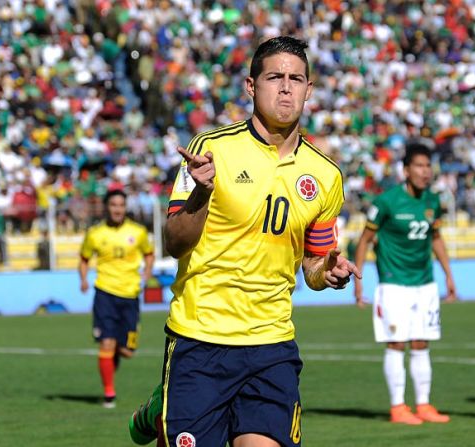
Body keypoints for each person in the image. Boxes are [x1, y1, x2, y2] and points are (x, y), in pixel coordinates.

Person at [128, 36, 360, 447]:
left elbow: (314, 265)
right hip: (202, 340)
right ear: (252, 87)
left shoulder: (325, 176)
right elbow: (174, 243)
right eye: (275, 77)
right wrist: (201, 192)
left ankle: (161, 412)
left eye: (296, 78)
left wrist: (329, 271)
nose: (286, 87)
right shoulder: (211, 149)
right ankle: (162, 407)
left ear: (309, 89)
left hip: (272, 345)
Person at [353, 143, 457, 425]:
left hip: (425, 284)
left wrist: (448, 274)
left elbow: (435, 238)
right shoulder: (386, 202)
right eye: (420, 166)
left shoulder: (433, 201)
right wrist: (358, 279)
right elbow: (364, 240)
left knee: (422, 343)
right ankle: (398, 407)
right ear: (406, 170)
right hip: (394, 285)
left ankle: (423, 405)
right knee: (397, 343)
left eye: (428, 167)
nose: (426, 172)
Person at [79, 189, 154, 408]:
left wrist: (147, 273)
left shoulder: (138, 232)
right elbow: (84, 259)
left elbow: (149, 254)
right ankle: (109, 393)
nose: (117, 209)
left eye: (121, 205)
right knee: (107, 343)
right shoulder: (95, 233)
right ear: (106, 207)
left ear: (125, 207)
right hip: (105, 293)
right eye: (113, 205)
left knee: (128, 351)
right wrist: (83, 279)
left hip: (130, 295)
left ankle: (114, 357)